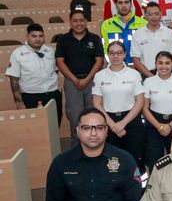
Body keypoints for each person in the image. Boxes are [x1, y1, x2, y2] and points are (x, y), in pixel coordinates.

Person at [91, 41, 145, 167]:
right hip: (109, 121)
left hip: (131, 120)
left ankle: (138, 186)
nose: (115, 56)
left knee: (135, 159)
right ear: (108, 55)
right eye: (112, 53)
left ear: (125, 54)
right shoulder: (99, 76)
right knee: (112, 161)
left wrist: (123, 123)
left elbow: (140, 101)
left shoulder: (134, 74)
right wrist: (113, 125)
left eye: (119, 53)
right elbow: (97, 103)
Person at [55, 11, 104, 143]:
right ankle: (76, 149)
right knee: (75, 117)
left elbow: (99, 61)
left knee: (94, 114)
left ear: (86, 21)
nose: (79, 23)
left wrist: (87, 79)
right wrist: (75, 80)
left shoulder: (94, 38)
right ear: (70, 22)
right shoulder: (63, 40)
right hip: (72, 82)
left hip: (92, 81)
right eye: (75, 21)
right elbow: (60, 62)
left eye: (81, 20)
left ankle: (96, 145)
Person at [142, 52, 172, 170]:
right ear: (155, 64)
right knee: (154, 161)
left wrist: (170, 125)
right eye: (160, 63)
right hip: (154, 124)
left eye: (167, 63)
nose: (164, 66)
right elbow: (144, 108)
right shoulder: (149, 82)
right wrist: (159, 126)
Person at [6, 23, 62, 122]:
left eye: (40, 36)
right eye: (34, 36)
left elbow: (56, 70)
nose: (38, 39)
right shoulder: (18, 53)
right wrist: (19, 102)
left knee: (54, 124)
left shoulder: (50, 51)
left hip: (52, 95)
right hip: (30, 97)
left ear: (44, 37)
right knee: (34, 126)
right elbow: (14, 80)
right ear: (27, 36)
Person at [131, 3, 172, 79]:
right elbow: (136, 60)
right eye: (150, 14)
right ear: (145, 15)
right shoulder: (138, 34)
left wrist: (163, 74)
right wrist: (152, 77)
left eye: (156, 14)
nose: (154, 17)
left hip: (167, 75)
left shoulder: (170, 33)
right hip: (146, 76)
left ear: (161, 15)